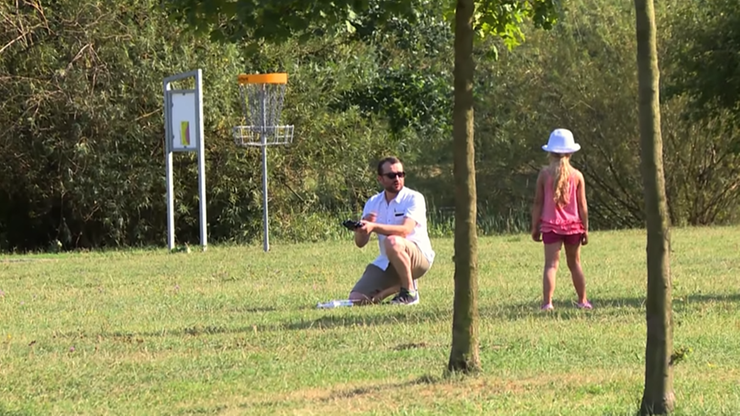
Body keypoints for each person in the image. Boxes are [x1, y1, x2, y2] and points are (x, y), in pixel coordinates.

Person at [348, 156, 435, 305]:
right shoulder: (373, 202)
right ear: (380, 179)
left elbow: (405, 230)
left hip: (418, 258)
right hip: (387, 261)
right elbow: (360, 243)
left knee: (392, 241)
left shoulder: (414, 198)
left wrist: (374, 227)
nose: (397, 178)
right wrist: (362, 229)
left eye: (400, 174)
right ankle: (397, 287)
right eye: (391, 175)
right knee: (356, 299)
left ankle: (410, 293)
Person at [530, 129, 592, 311]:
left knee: (551, 265)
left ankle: (548, 303)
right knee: (575, 264)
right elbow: (582, 206)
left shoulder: (544, 174)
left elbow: (538, 202)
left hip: (551, 226)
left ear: (550, 152)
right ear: (571, 152)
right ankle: (583, 300)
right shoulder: (578, 176)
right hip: (574, 227)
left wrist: (535, 226)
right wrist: (585, 229)